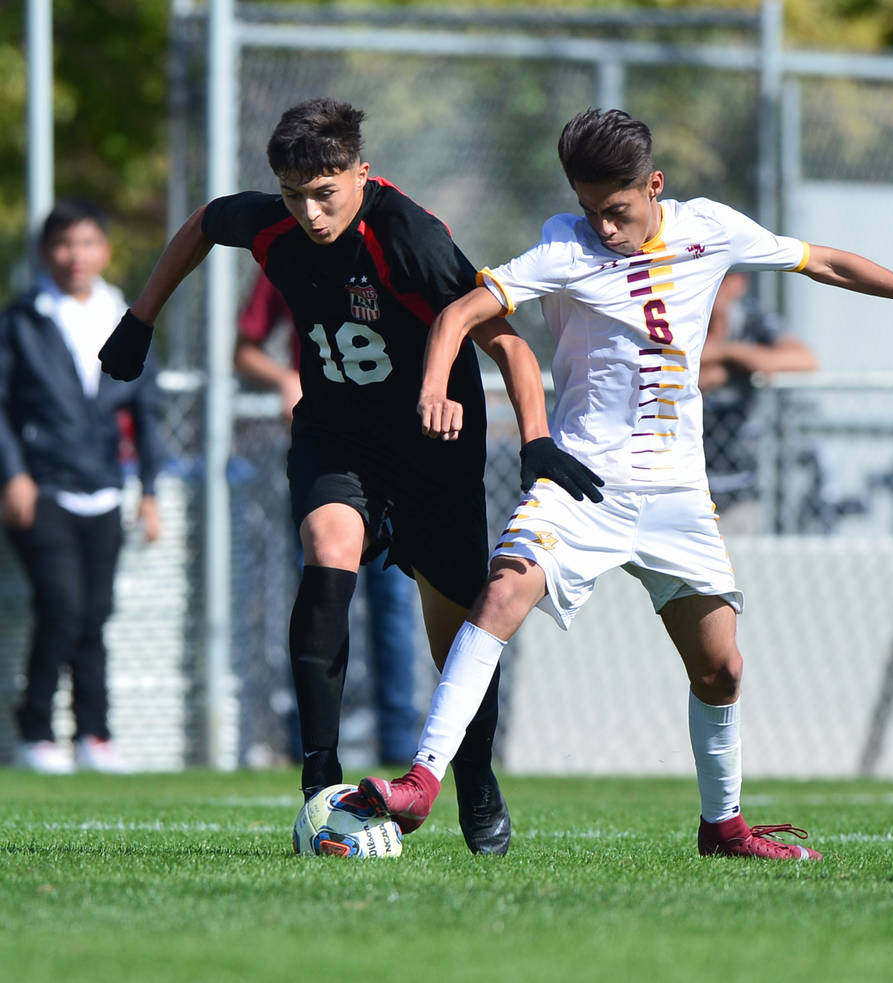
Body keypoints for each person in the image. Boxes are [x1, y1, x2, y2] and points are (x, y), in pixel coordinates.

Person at [357, 108, 893, 861]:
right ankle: (421, 781)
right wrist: (437, 383)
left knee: (721, 665)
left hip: (677, 494)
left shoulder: (711, 228)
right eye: (589, 209)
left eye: (618, 210)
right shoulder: (562, 245)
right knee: (503, 590)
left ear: (655, 186)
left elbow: (825, 262)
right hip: (584, 481)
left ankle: (724, 826)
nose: (604, 227)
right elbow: (461, 311)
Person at [98, 98, 600, 854]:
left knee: (457, 630)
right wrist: (141, 318)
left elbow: (509, 344)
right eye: (294, 194)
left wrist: (534, 438)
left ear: (361, 174)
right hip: (338, 435)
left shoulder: (410, 237)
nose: (309, 211)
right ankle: (319, 780)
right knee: (326, 561)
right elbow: (204, 222)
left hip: (434, 449)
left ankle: (476, 773)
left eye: (325, 193)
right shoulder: (274, 223)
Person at [0, 198, 164, 774]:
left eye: (88, 243)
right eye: (64, 244)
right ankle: (36, 731)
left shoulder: (129, 316)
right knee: (63, 606)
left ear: (106, 251)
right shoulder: (22, 320)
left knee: (94, 612)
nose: (76, 256)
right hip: (40, 488)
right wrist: (12, 474)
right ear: (47, 252)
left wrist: (148, 489)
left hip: (103, 489)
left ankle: (94, 734)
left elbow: (147, 410)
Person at [234, 270, 419, 765]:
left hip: (391, 452)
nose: (316, 209)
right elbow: (244, 347)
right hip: (324, 455)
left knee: (394, 603)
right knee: (319, 597)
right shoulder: (288, 254)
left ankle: (402, 747)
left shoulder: (396, 250)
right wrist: (284, 378)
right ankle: (312, 746)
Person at [700, 271, 818, 523]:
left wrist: (729, 355)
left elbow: (804, 360)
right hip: (679, 480)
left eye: (718, 280)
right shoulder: (678, 312)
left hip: (739, 485)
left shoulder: (752, 321)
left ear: (738, 284)